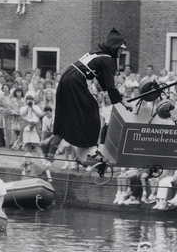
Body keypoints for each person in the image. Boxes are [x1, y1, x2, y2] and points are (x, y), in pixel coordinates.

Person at [54, 28, 132, 163]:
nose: (121, 52)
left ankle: (80, 147)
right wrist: (123, 102)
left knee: (78, 111)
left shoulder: (97, 54)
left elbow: (103, 81)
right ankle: (91, 151)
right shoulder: (107, 59)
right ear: (114, 47)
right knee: (92, 110)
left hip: (68, 77)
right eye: (120, 49)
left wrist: (112, 94)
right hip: (76, 80)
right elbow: (110, 85)